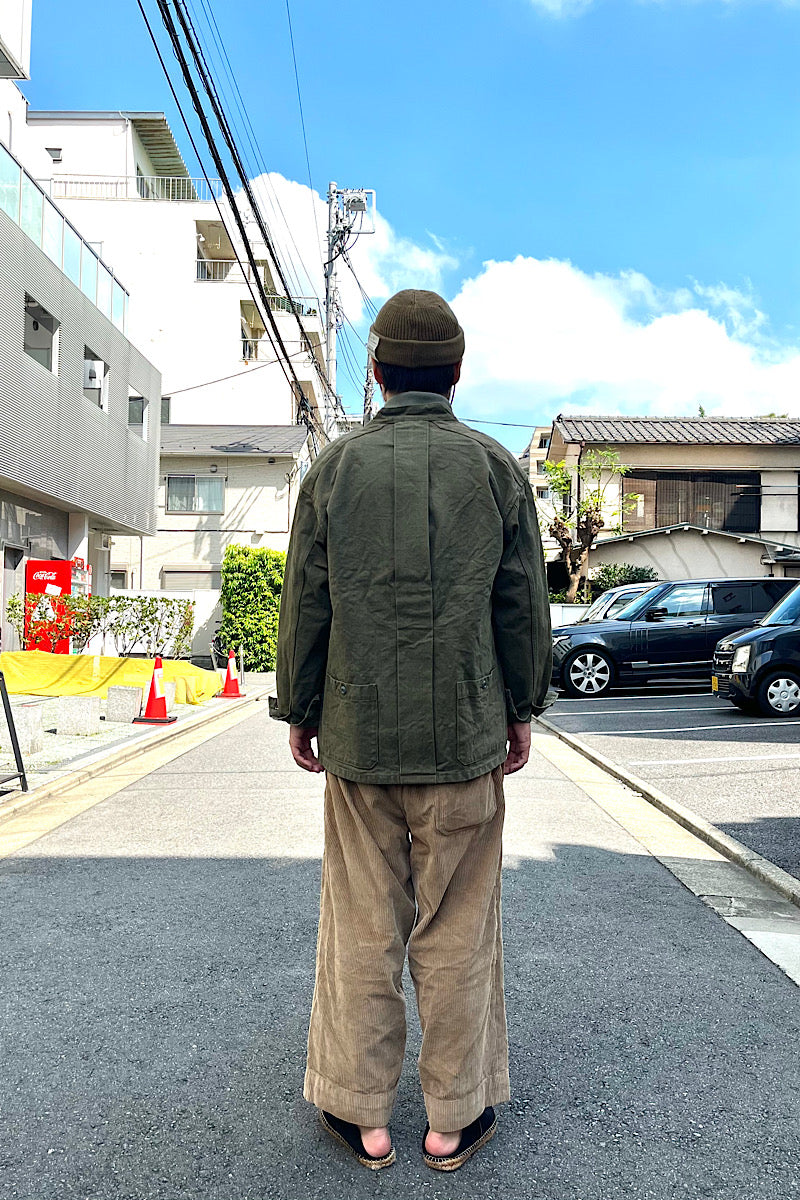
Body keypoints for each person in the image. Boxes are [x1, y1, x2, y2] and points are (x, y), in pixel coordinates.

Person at [270, 289, 553, 1172]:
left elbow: (306, 603)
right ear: (458, 374)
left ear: (380, 372)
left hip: (358, 736)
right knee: (459, 931)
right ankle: (451, 1121)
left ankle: (364, 1119)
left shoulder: (336, 469)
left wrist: (301, 706)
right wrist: (519, 709)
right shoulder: (497, 469)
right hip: (466, 739)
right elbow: (522, 608)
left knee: (362, 927)